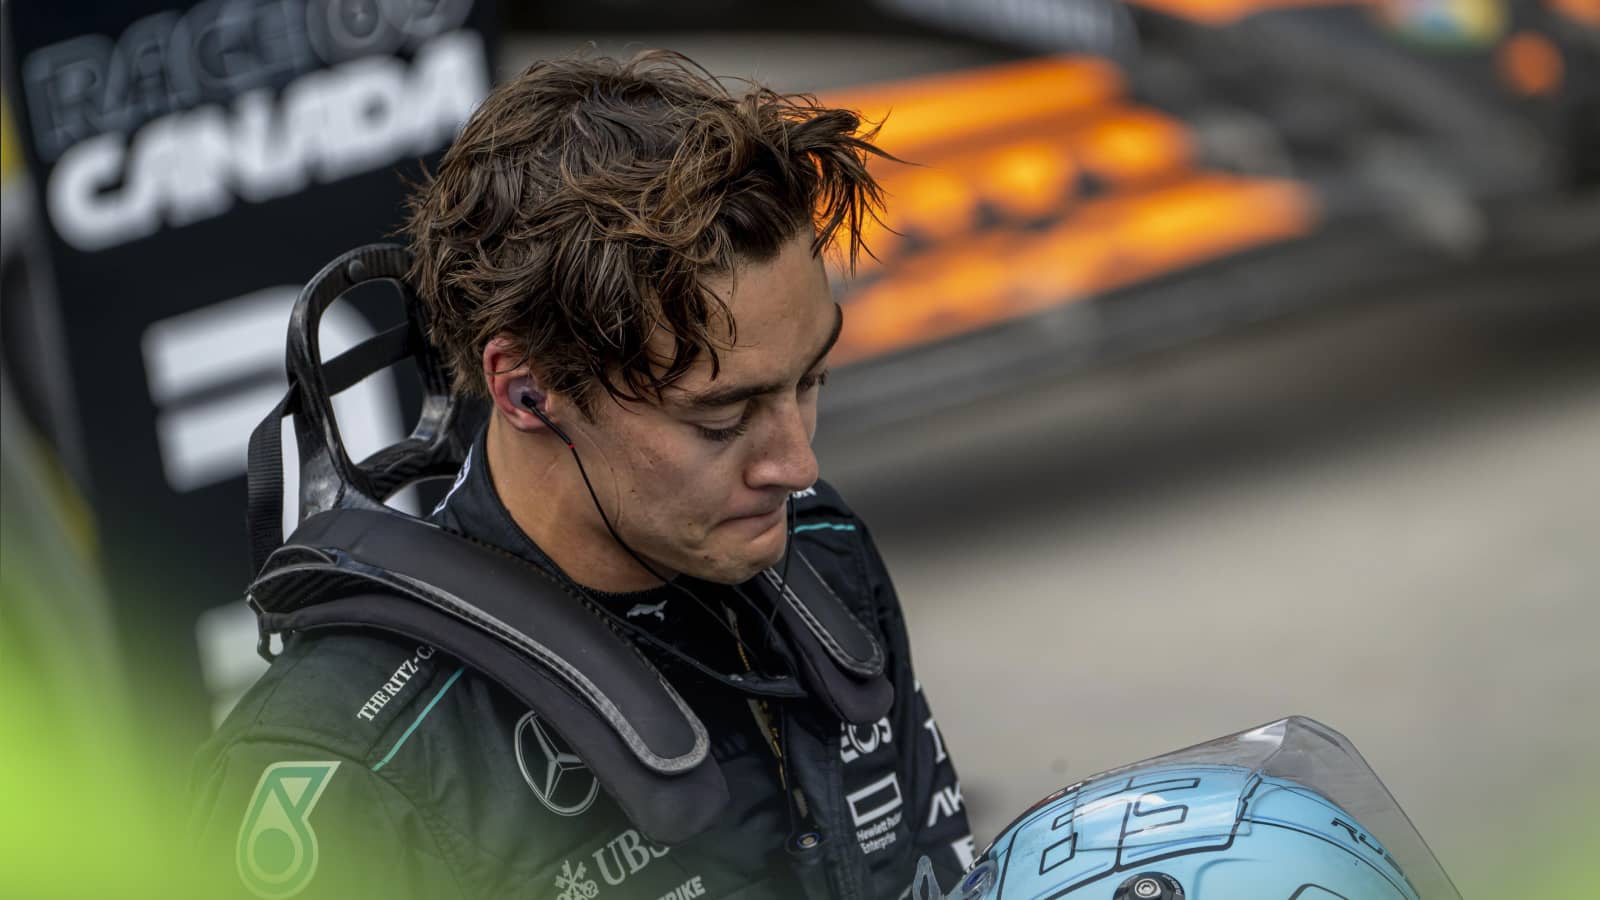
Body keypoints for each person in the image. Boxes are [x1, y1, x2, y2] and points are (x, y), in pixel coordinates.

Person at [190, 51, 973, 900]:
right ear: (527, 390)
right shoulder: (344, 768)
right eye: (721, 418)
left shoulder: (823, 554)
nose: (797, 463)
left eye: (811, 381)